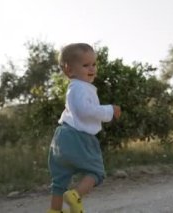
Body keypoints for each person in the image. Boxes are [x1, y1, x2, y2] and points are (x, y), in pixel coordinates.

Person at [47, 43, 121, 213]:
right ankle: (75, 196)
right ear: (69, 70)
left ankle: (55, 210)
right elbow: (84, 111)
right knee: (96, 173)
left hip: (62, 137)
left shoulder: (74, 88)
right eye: (85, 65)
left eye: (94, 64)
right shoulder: (80, 87)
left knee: (59, 181)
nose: (92, 69)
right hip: (79, 137)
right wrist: (110, 110)